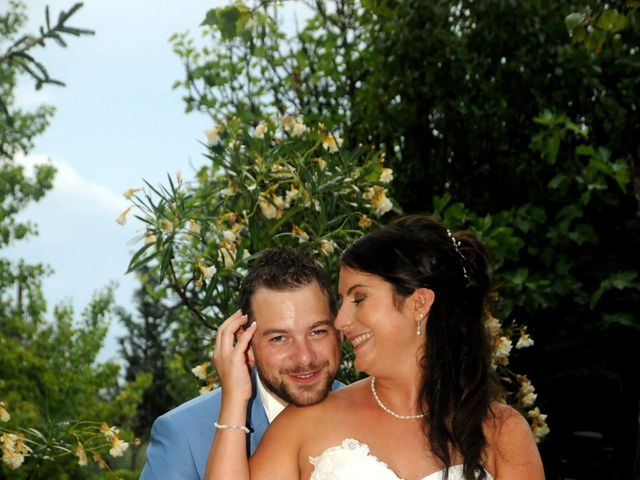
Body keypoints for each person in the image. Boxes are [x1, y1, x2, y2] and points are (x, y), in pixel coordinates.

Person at [207, 214, 545, 479]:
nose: (340, 321)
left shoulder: (501, 429)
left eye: (359, 298)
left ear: (419, 303)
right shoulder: (304, 424)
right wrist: (235, 398)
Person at [140, 246, 343, 480]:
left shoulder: (371, 408)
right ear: (246, 343)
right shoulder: (183, 434)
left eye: (317, 332)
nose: (305, 357)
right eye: (279, 338)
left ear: (339, 329)